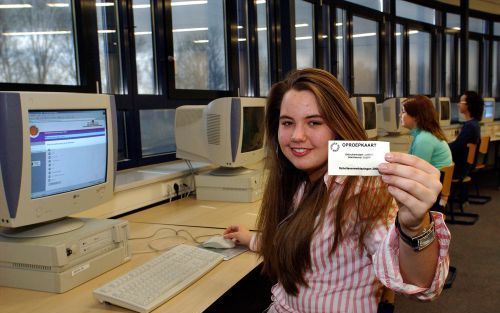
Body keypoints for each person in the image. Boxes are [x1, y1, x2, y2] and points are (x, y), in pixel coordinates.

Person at [224, 68, 450, 312]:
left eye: (314, 122)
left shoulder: (362, 190)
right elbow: (304, 242)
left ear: (337, 126)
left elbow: (421, 285)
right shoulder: (297, 181)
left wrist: (415, 226)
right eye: (288, 123)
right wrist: (251, 238)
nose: (297, 136)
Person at [401, 95, 452, 170]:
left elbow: (416, 171)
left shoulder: (423, 139)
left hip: (430, 180)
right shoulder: (426, 134)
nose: (400, 115)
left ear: (416, 116)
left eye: (403, 112)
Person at [449, 91, 483, 180]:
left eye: (460, 102)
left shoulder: (469, 126)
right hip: (467, 167)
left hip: (459, 170)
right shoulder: (475, 124)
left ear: (468, 105)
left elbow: (455, 147)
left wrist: (442, 146)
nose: (458, 104)